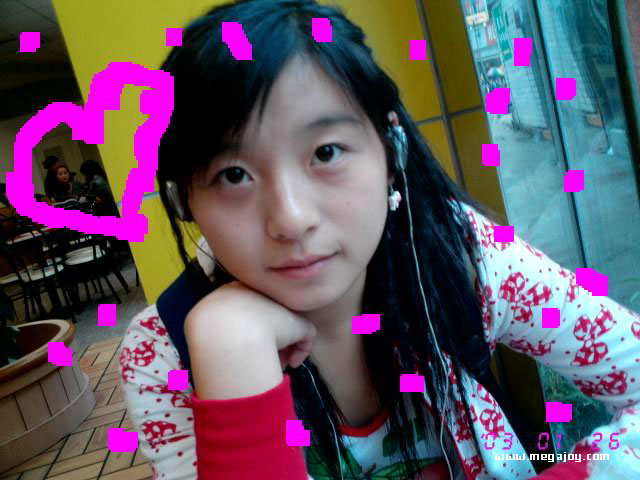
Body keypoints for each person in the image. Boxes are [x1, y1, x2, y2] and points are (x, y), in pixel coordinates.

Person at [118, 1, 640, 479]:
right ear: (185, 199)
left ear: (391, 151)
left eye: (326, 152)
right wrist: (231, 361)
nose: (291, 219)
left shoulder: (460, 254)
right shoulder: (164, 356)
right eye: (233, 175)